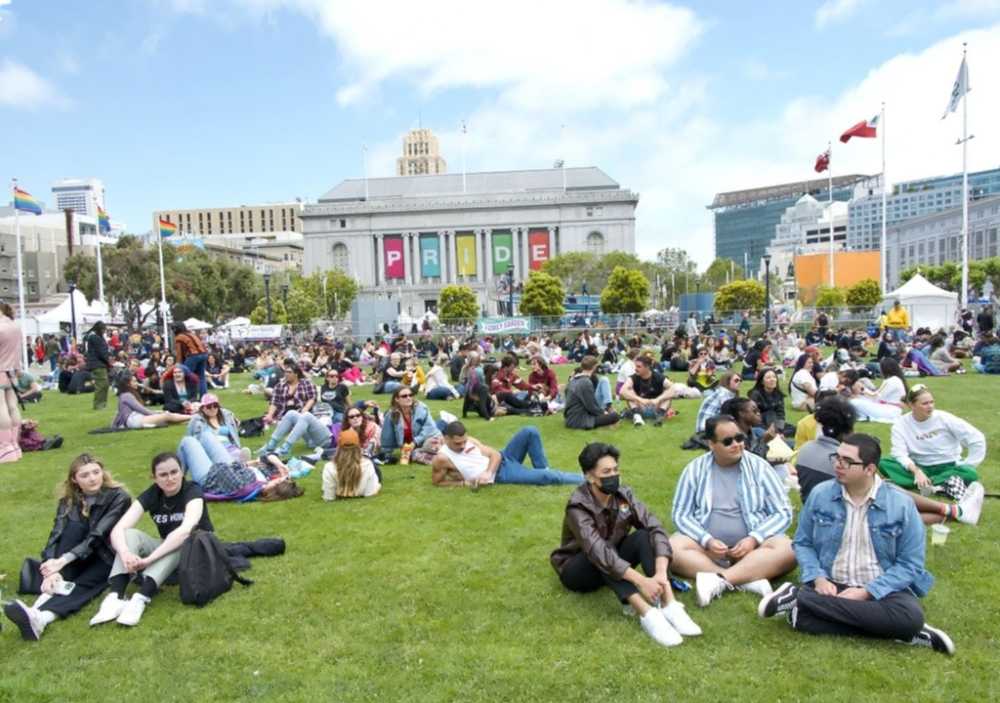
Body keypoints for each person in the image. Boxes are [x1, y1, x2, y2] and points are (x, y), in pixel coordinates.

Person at [758, 434, 955, 656]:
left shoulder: (901, 505)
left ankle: (800, 601)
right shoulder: (821, 494)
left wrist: (867, 592)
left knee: (910, 617)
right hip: (830, 585)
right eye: (837, 457)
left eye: (847, 461)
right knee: (805, 620)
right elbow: (803, 543)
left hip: (881, 588)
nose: (838, 464)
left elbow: (910, 564)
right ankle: (905, 633)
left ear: (869, 469)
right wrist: (819, 578)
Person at [549, 442, 701, 648]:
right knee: (603, 551)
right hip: (578, 569)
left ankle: (670, 604)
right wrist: (641, 581)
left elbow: (655, 527)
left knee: (644, 535)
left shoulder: (623, 495)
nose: (613, 475)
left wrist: (661, 573)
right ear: (589, 476)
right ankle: (647, 614)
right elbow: (597, 551)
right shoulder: (578, 505)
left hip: (611, 559)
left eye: (615, 469)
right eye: (606, 471)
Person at [670, 414, 796, 607]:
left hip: (754, 549)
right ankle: (745, 580)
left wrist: (754, 538)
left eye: (740, 438)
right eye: (728, 441)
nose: (736, 444)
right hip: (706, 550)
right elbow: (680, 513)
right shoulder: (694, 469)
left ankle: (720, 580)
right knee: (669, 548)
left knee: (790, 549)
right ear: (711, 444)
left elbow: (783, 512)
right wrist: (706, 540)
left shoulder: (759, 467)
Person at [3, 454, 130, 641]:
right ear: (74, 479)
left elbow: (98, 535)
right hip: (75, 555)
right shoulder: (69, 500)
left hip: (105, 555)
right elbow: (56, 535)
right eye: (85, 475)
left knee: (82, 586)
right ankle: (36, 609)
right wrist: (50, 567)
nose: (93, 478)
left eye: (96, 472)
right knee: (71, 529)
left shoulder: (119, 497)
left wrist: (62, 561)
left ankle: (41, 617)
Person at [90, 452, 214, 627]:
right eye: (163, 475)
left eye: (174, 472)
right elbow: (119, 528)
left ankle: (141, 598)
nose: (170, 478)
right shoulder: (152, 494)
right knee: (129, 535)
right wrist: (125, 553)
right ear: (154, 478)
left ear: (182, 472)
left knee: (184, 539)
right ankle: (115, 597)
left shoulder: (193, 490)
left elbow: (185, 530)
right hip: (168, 548)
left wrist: (149, 560)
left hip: (198, 551)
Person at [878, 385, 985, 500]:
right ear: (911, 405)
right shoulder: (900, 424)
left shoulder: (944, 418)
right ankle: (939, 483)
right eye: (925, 404)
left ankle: (927, 483)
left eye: (931, 402)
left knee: (970, 473)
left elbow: (977, 438)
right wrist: (917, 471)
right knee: (882, 462)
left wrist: (969, 463)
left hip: (948, 466)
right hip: (919, 466)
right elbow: (899, 453)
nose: (930, 406)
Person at [431, 421, 582, 487]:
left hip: (502, 459)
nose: (463, 445)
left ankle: (543, 471)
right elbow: (437, 482)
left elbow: (495, 454)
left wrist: (488, 472)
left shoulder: (468, 440)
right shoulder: (442, 458)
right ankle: (588, 479)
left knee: (530, 431)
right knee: (551, 478)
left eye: (464, 441)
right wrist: (463, 483)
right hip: (501, 474)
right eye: (458, 443)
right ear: (446, 439)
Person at [177, 430, 302, 501]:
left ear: (272, 491)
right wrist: (280, 465)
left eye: (277, 482)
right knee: (206, 434)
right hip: (229, 466)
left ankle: (177, 484)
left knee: (188, 441)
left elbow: (222, 471)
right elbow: (267, 456)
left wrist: (247, 464)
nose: (277, 478)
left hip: (210, 476)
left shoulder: (247, 488)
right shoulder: (266, 480)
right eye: (280, 479)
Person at [380, 385, 442, 463]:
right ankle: (438, 457)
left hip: (429, 439)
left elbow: (430, 428)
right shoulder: (391, 414)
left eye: (410, 395)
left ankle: (435, 455)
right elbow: (387, 435)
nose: (408, 398)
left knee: (429, 445)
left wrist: (415, 442)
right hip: (411, 447)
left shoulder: (421, 408)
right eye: (404, 396)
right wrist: (386, 453)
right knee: (414, 454)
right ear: (396, 399)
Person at [112, 373, 190, 430]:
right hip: (134, 421)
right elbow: (142, 410)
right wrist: (158, 414)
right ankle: (193, 417)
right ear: (128, 384)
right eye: (134, 381)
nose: (137, 383)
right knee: (167, 416)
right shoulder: (127, 395)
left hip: (137, 419)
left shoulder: (126, 395)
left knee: (166, 417)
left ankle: (190, 420)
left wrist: (158, 412)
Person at [322, 428, 381, 501]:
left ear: (338, 447)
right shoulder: (368, 464)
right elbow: (370, 493)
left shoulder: (329, 467)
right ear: (358, 446)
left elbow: (329, 497)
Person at [563, 356, 620, 430]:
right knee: (615, 416)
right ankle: (608, 411)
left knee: (604, 380)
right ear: (594, 367)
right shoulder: (586, 382)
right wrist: (604, 413)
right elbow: (591, 406)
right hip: (579, 420)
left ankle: (608, 407)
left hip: (571, 417)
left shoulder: (573, 380)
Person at [619, 353, 674, 427]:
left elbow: (675, 389)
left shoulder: (658, 376)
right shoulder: (633, 377)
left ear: (647, 367)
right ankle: (638, 417)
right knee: (628, 392)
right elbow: (622, 391)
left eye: (639, 367)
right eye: (635, 366)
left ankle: (659, 417)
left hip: (657, 407)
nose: (635, 369)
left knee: (669, 391)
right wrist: (640, 399)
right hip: (640, 407)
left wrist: (658, 399)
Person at [186, 392, 244, 460]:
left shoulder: (225, 416)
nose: (213, 408)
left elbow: (234, 432)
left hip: (230, 447)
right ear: (203, 408)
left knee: (237, 455)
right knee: (229, 459)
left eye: (215, 405)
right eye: (209, 406)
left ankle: (243, 461)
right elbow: (191, 439)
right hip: (214, 451)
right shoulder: (197, 421)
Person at [0, 301, 23, 462]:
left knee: (1, 408)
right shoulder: (15, 326)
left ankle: (4, 446)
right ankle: (14, 444)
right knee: (12, 407)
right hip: (11, 372)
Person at [694, 371, 741, 435]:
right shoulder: (723, 394)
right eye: (736, 380)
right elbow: (729, 415)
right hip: (705, 431)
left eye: (740, 381)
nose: (739, 383)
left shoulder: (728, 393)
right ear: (727, 381)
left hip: (709, 428)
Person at [173, 323, 209, 396]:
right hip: (204, 354)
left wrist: (178, 365)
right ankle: (203, 397)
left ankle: (188, 396)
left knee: (185, 376)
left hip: (193, 355)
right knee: (201, 377)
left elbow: (179, 353)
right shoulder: (192, 334)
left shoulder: (179, 337)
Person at [84, 321, 111, 411]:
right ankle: (99, 405)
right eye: (103, 329)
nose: (104, 331)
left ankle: (102, 404)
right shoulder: (95, 338)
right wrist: (108, 362)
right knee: (101, 385)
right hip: (98, 364)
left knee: (104, 384)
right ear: (100, 329)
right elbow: (101, 352)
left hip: (98, 363)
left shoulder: (93, 337)